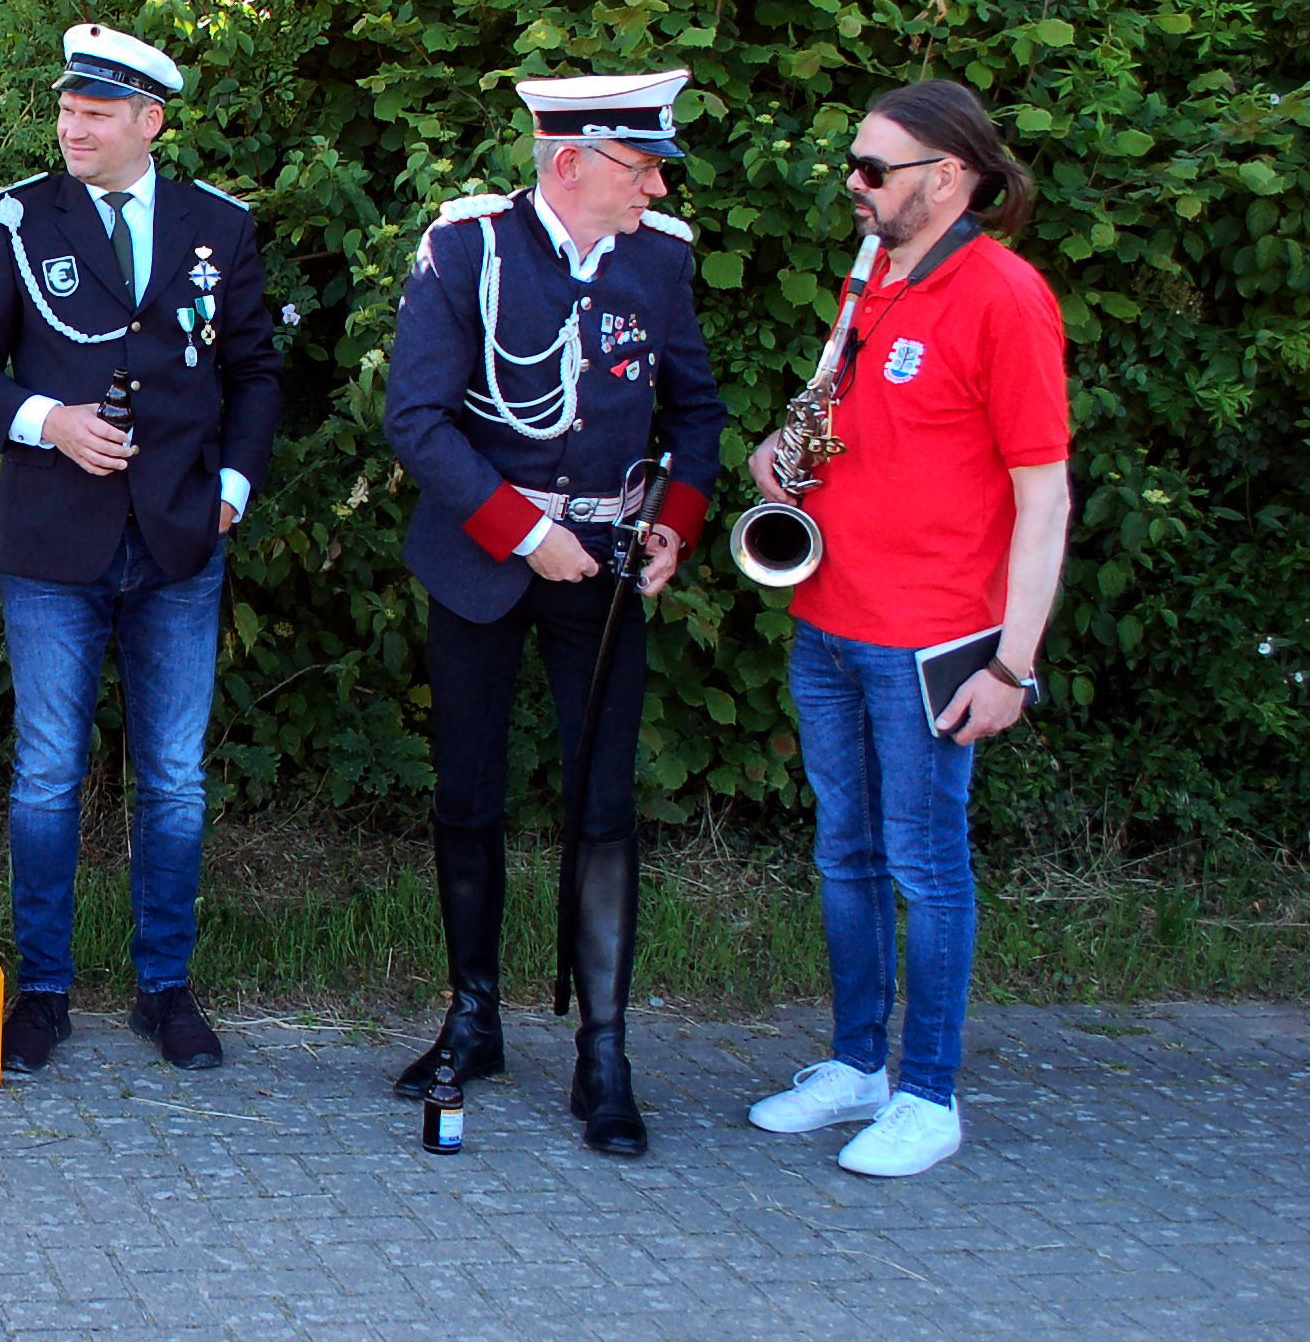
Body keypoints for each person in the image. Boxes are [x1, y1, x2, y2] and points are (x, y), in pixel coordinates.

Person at [382, 69, 725, 1156]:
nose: (656, 185)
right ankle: (472, 1017)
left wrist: (674, 524)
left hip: (609, 562)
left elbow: (696, 411)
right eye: (641, 166)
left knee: (603, 802)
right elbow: (416, 419)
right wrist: (527, 534)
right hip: (485, 557)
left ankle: (603, 1052)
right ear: (569, 162)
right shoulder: (467, 250)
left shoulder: (658, 260)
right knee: (467, 791)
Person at [0, 23, 280, 1074]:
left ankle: (163, 988)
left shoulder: (218, 224)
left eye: (94, 113)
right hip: (52, 541)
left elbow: (256, 371)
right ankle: (42, 990)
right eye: (66, 110)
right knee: (48, 773)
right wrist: (49, 420)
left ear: (149, 121)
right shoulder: (18, 216)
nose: (71, 128)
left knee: (173, 777)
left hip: (180, 537)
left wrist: (230, 489)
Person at [742, 80, 1068, 1178]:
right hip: (829, 616)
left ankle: (929, 1092)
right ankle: (855, 1066)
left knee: (925, 866)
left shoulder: (1004, 295)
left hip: (930, 638)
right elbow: (850, 422)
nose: (854, 183)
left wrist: (1012, 664)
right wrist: (778, 454)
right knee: (844, 851)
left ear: (948, 176)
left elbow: (1044, 497)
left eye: (874, 169)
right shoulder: (871, 276)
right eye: (855, 162)